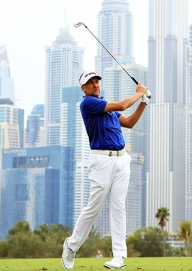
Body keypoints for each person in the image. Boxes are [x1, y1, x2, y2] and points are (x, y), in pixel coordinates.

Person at [62, 70, 149, 270]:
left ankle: (119, 257)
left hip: (122, 160)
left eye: (97, 81)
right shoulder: (88, 104)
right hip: (102, 161)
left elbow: (129, 122)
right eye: (90, 83)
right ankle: (71, 245)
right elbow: (123, 105)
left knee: (119, 207)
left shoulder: (107, 108)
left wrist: (144, 101)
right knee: (94, 207)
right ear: (83, 88)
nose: (95, 85)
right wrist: (139, 92)